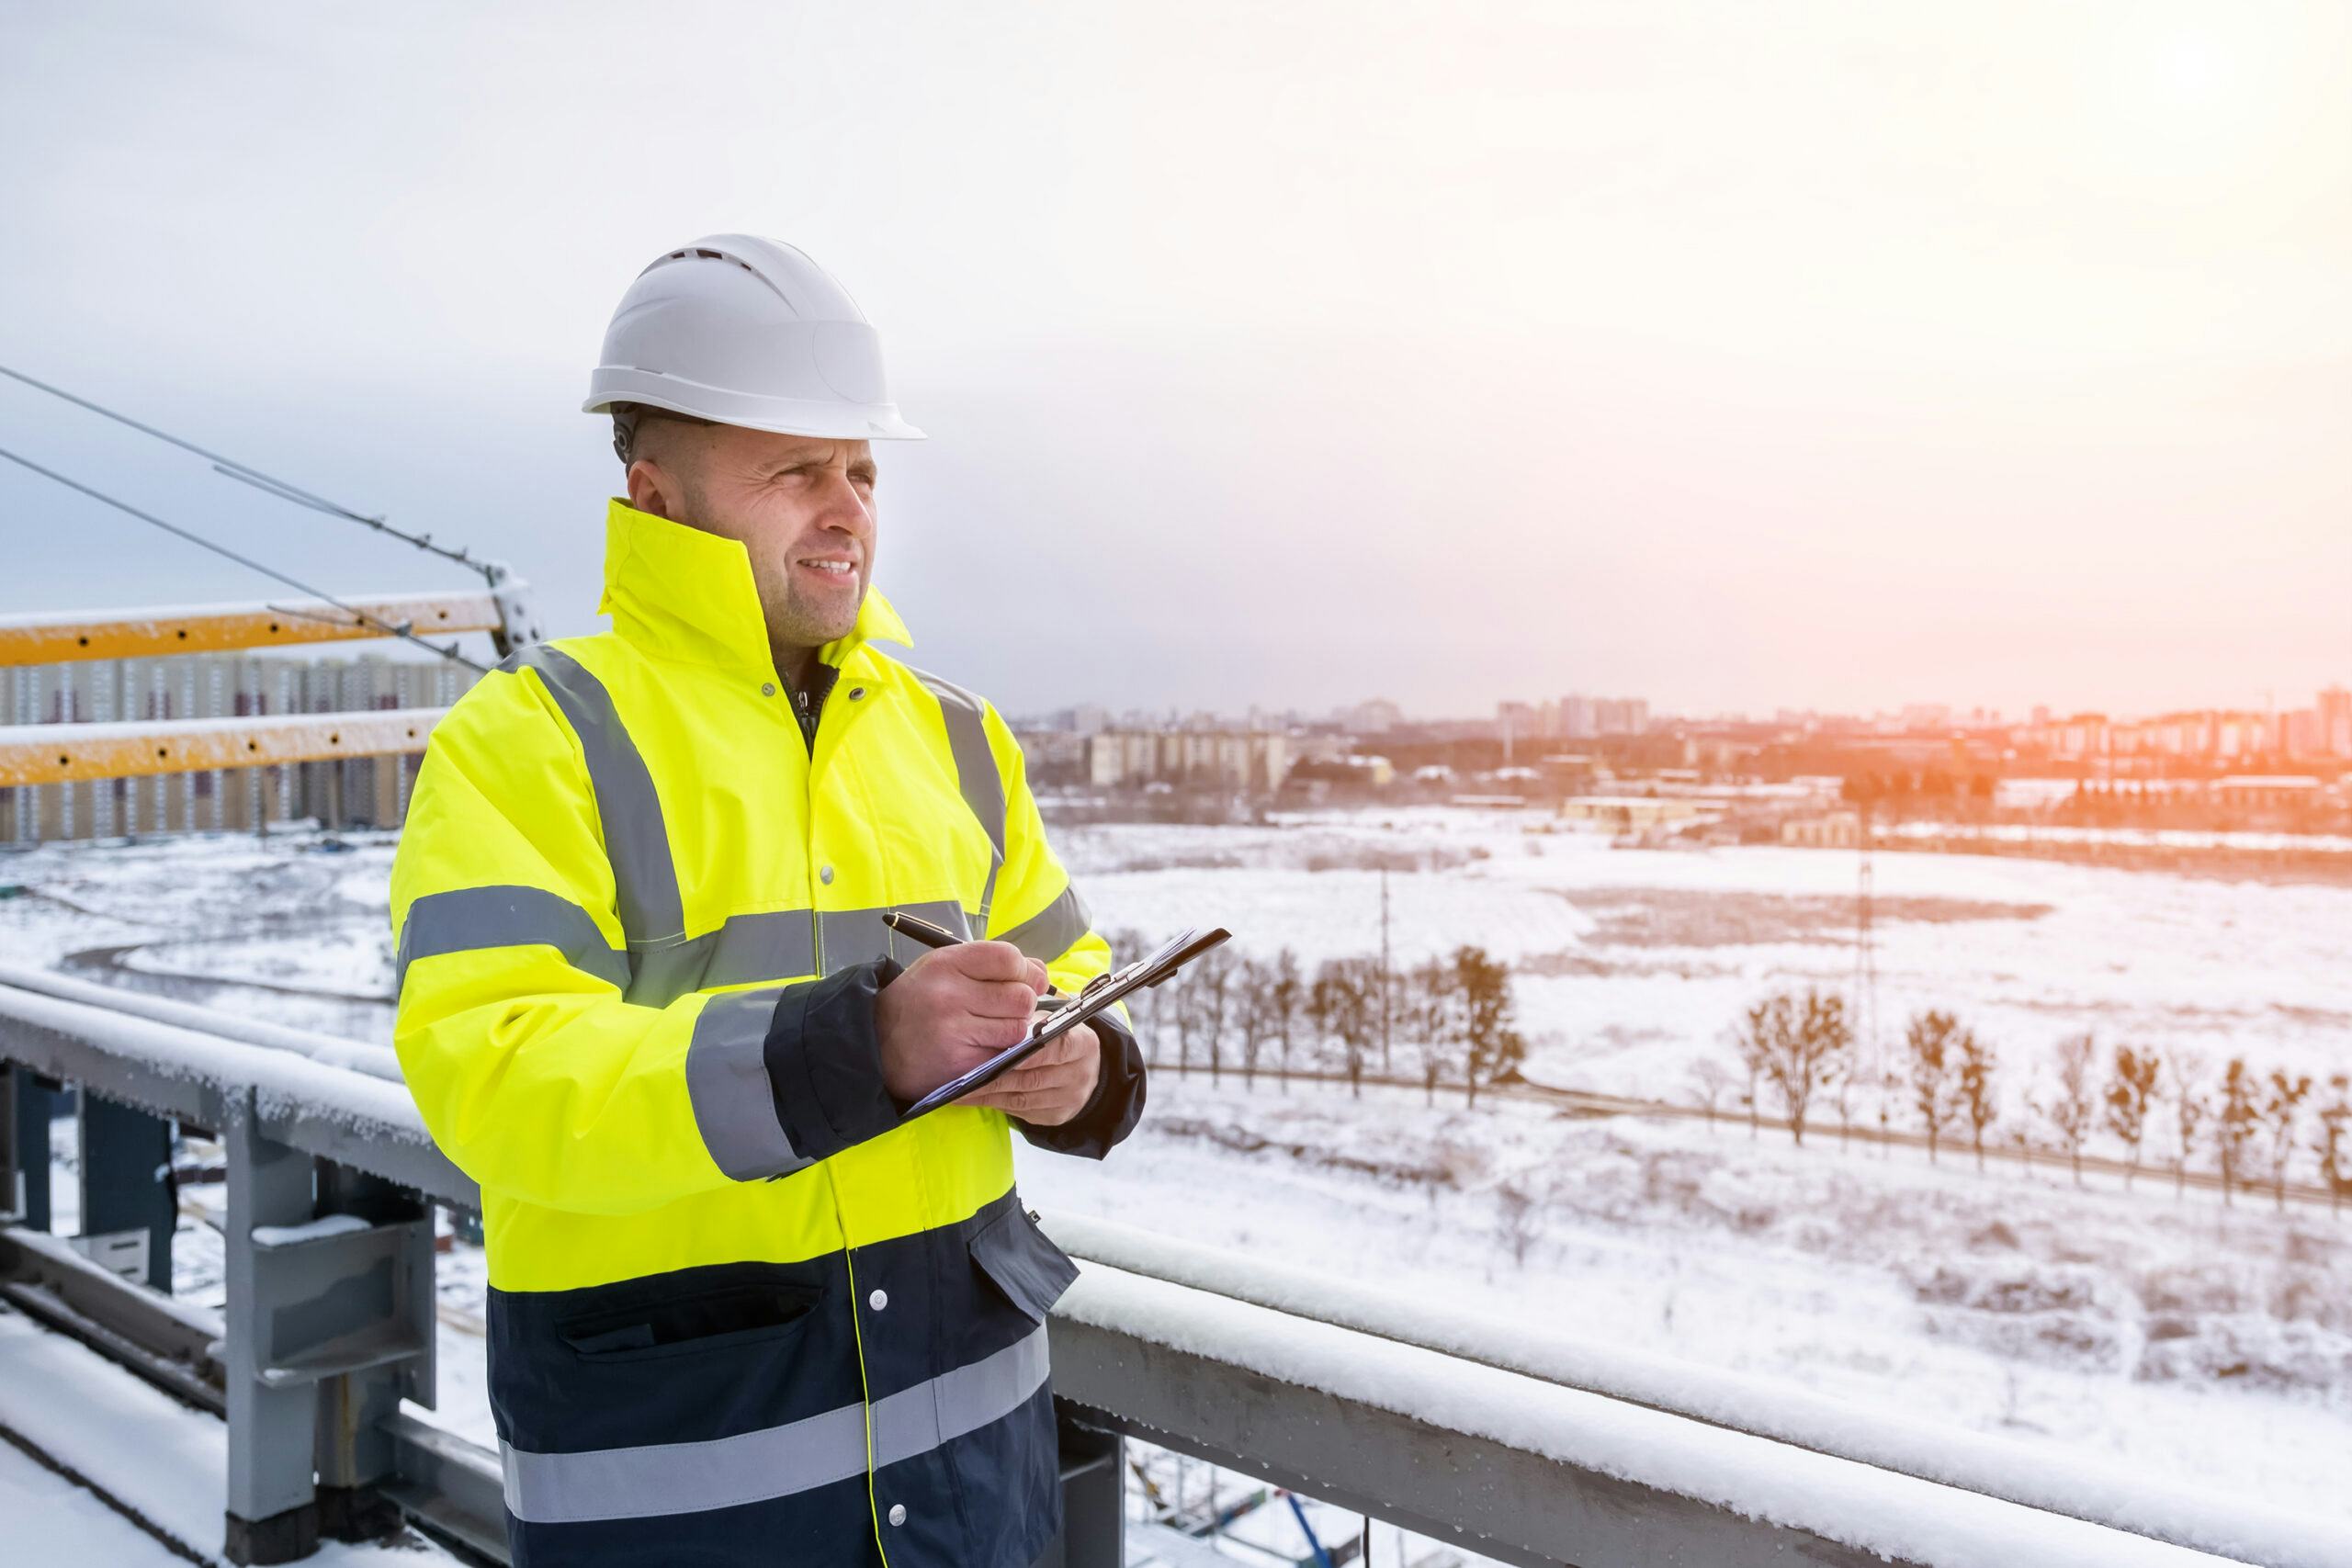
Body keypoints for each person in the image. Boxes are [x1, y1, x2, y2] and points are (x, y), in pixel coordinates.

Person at [390, 233, 1146, 1568]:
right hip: (684, 1497)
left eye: (859, 468)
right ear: (656, 494)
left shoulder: (956, 736)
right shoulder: (530, 742)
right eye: (795, 467)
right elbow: (493, 1077)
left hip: (976, 1485)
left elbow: (1063, 963)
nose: (846, 503)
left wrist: (1080, 1060)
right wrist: (859, 1047)